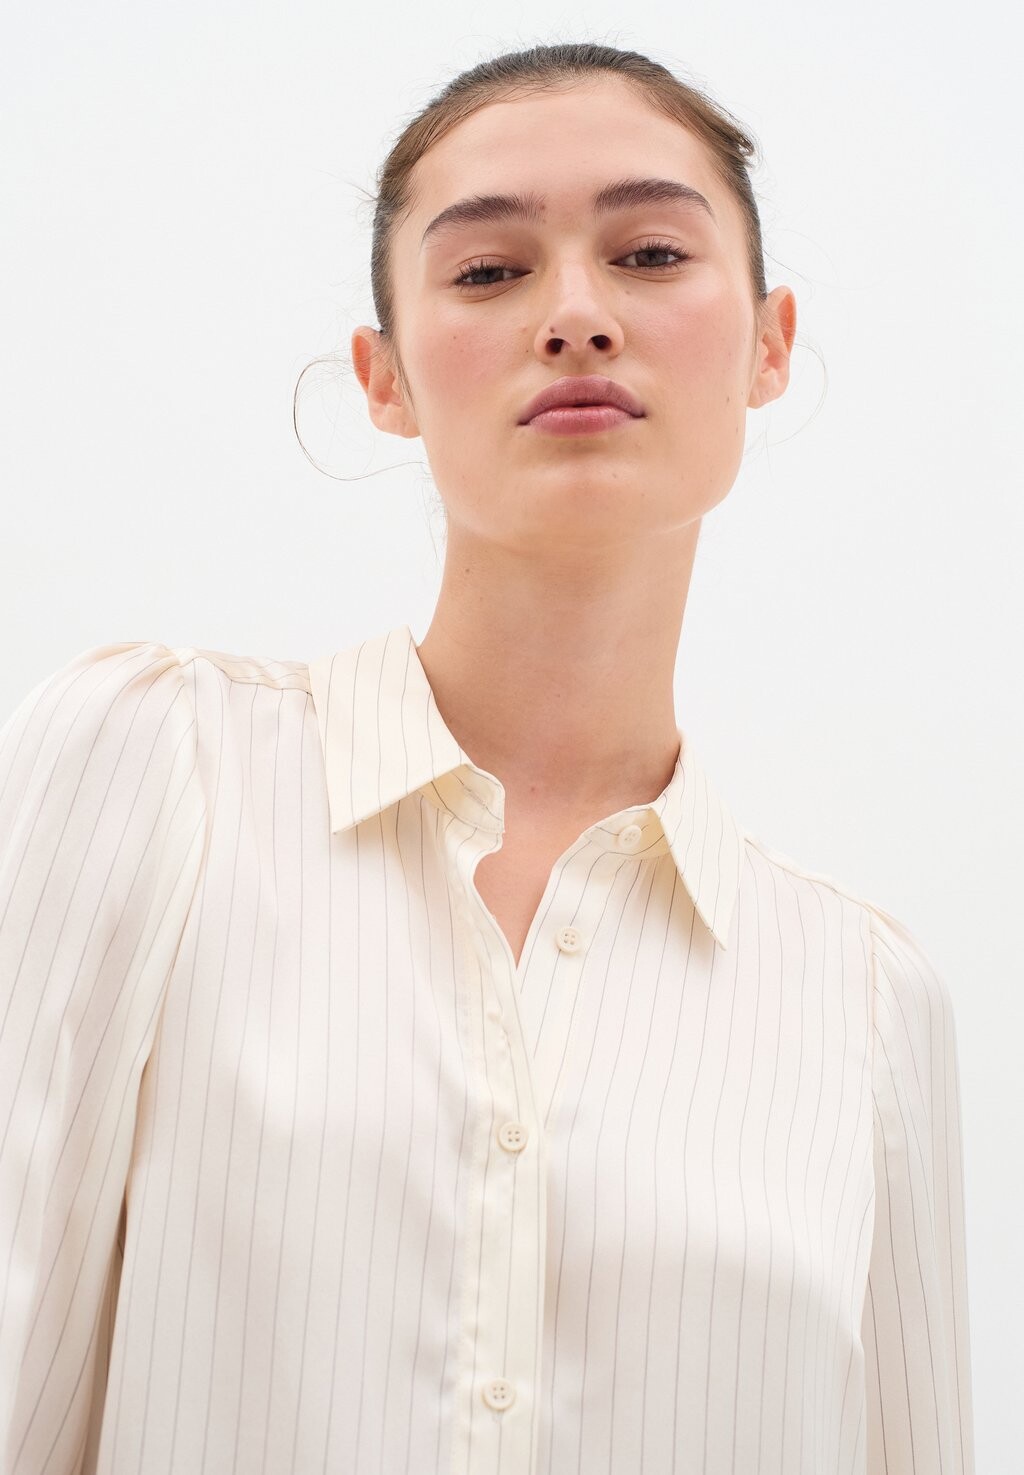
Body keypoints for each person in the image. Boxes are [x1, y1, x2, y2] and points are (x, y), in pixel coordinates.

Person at [0, 40, 974, 1475]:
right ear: (384, 377)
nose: (576, 315)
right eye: (489, 271)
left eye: (650, 253)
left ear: (770, 345)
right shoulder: (158, 771)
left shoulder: (869, 1002)